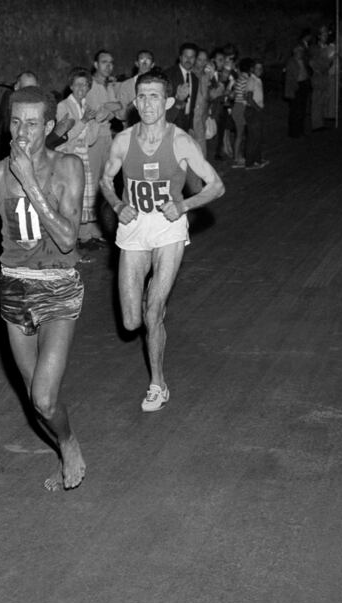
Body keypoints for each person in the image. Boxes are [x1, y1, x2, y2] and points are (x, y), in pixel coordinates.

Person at [0, 86, 86, 492]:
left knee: (45, 398)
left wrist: (29, 181)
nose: (21, 132)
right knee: (34, 399)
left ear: (48, 126)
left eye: (31, 123)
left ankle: (69, 442)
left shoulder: (69, 167)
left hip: (59, 287)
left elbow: (67, 239)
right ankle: (64, 445)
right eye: (15, 122)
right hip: (13, 290)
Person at [99, 70, 225, 412]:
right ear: (134, 101)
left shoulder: (182, 141)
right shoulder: (122, 141)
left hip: (169, 229)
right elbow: (105, 180)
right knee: (131, 321)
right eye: (142, 96)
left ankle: (158, 384)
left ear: (168, 102)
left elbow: (216, 186)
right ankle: (155, 309)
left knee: (152, 312)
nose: (147, 103)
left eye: (155, 96)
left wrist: (183, 205)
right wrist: (117, 205)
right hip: (134, 226)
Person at [84, 50, 122, 242]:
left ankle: (99, 227)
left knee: (106, 182)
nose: (109, 66)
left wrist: (110, 107)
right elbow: (99, 113)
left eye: (111, 62)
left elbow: (118, 109)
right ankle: (85, 232)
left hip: (107, 137)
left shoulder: (109, 86)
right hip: (93, 138)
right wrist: (111, 107)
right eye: (104, 62)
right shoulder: (89, 85)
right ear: (96, 64)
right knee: (90, 184)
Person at [52, 68, 99, 229]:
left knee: (83, 199)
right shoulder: (63, 106)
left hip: (83, 156)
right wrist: (84, 121)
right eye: (78, 85)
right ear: (71, 86)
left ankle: (82, 236)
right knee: (70, 199)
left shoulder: (88, 106)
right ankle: (68, 236)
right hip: (68, 156)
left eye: (85, 85)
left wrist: (97, 120)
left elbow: (91, 140)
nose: (81, 89)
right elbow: (64, 137)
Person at [165, 43, 200, 133]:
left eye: (192, 57)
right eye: (186, 56)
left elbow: (193, 104)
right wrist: (178, 100)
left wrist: (191, 126)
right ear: (180, 57)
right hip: (172, 121)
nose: (188, 60)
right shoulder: (169, 74)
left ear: (195, 59)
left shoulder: (195, 78)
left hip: (187, 123)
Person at [117, 50, 155, 128]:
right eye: (141, 59)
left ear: (153, 64)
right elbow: (121, 115)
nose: (144, 63)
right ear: (137, 63)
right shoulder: (126, 85)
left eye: (148, 59)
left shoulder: (158, 85)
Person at [244, 60, 269, 170]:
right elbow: (249, 98)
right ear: (252, 69)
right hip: (253, 111)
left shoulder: (258, 80)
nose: (259, 70)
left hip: (256, 110)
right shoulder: (251, 80)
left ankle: (257, 159)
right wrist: (258, 109)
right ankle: (249, 162)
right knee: (253, 137)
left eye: (261, 68)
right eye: (257, 68)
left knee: (258, 136)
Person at [284, 45, 311, 137]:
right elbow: (290, 77)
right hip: (296, 87)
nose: (301, 53)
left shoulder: (303, 60)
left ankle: (300, 129)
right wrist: (294, 87)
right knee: (295, 110)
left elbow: (307, 71)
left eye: (301, 52)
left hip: (304, 85)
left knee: (302, 109)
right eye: (299, 51)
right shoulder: (291, 62)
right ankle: (293, 131)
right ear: (295, 52)